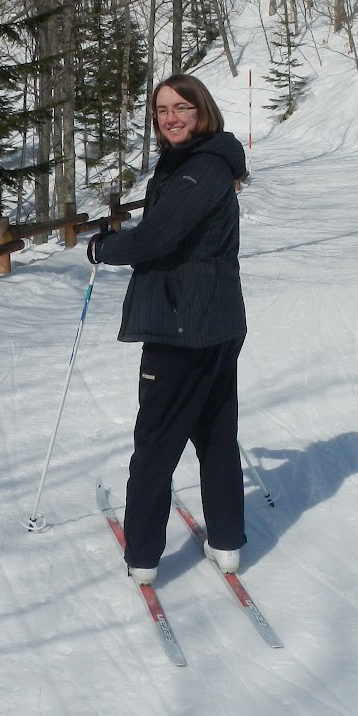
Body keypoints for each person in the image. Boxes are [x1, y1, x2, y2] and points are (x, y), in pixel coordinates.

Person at [87, 73, 249, 585]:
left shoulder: (198, 171)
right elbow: (173, 230)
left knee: (157, 442)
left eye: (182, 107)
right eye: (162, 110)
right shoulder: (203, 165)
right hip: (217, 321)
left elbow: (156, 239)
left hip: (183, 328)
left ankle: (144, 555)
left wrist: (104, 248)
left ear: (203, 112)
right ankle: (226, 542)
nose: (172, 117)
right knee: (215, 433)